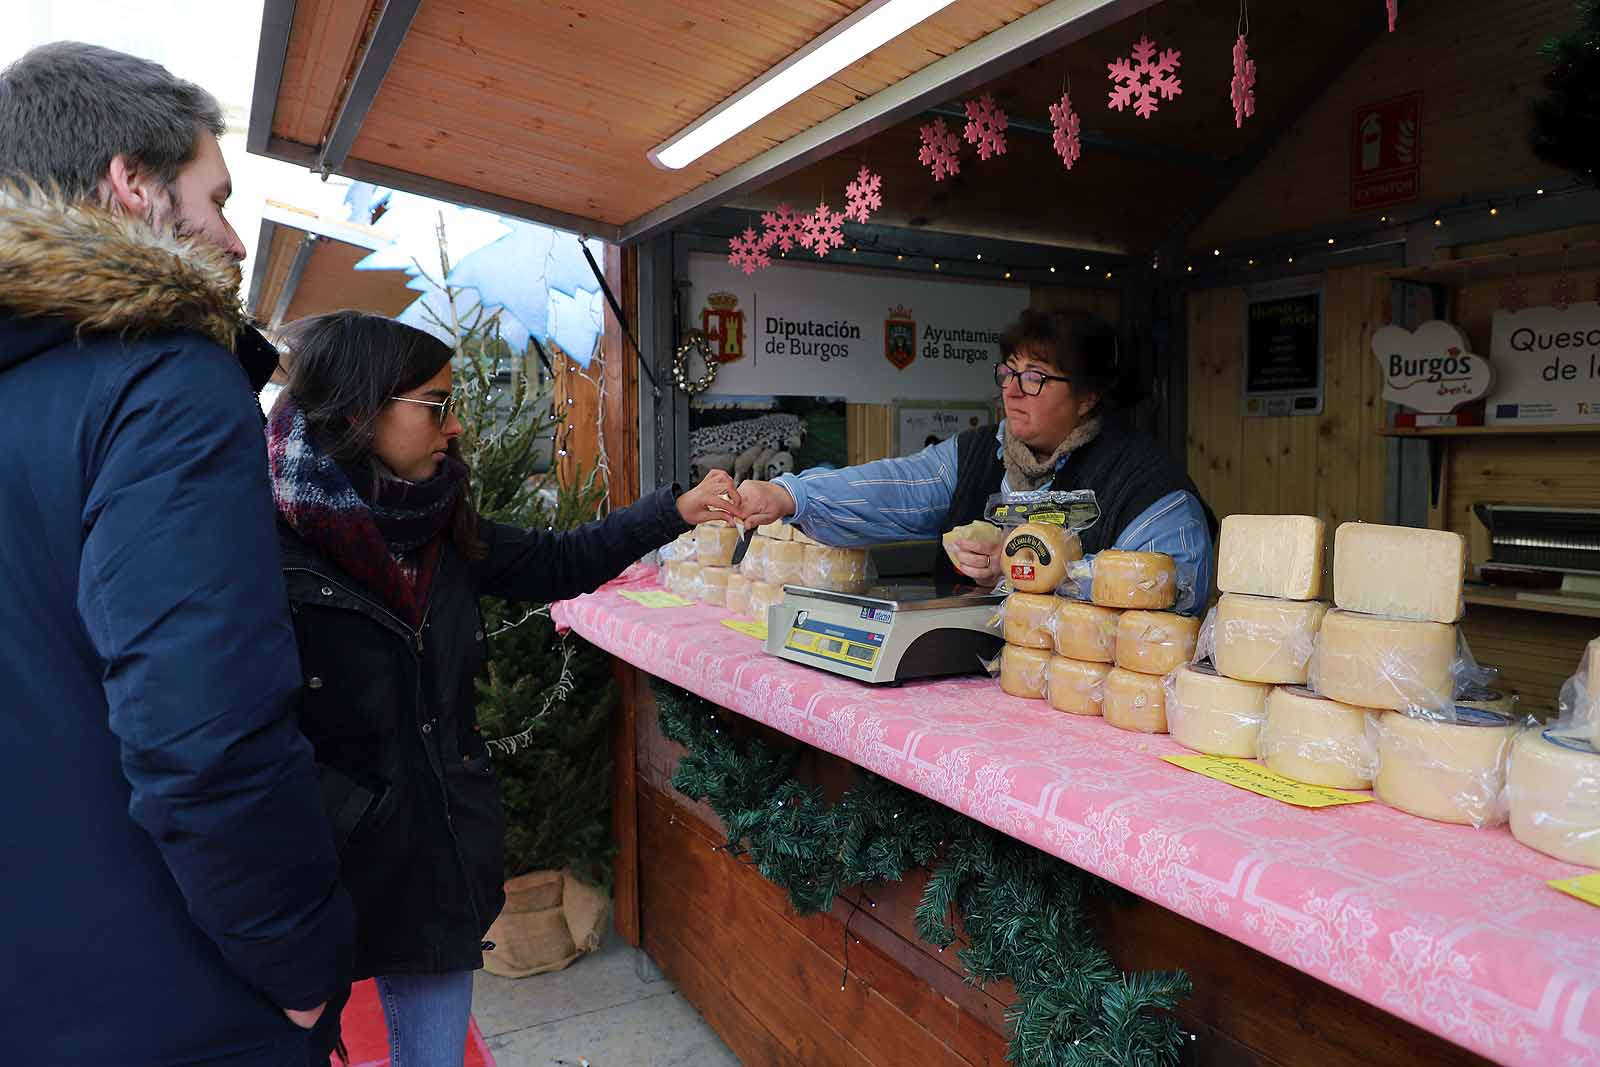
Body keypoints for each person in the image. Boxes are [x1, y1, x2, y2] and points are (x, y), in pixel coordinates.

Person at [0, 42, 353, 1066]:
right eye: (216, 195)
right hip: (174, 993)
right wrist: (300, 963)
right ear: (133, 186)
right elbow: (205, 731)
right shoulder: (161, 378)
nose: (235, 238)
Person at [267, 311, 742, 1064]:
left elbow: (558, 559)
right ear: (360, 410)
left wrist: (669, 513)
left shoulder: (439, 521)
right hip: (322, 873)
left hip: (432, 860)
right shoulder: (264, 544)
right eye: (436, 405)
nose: (453, 428)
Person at [738, 308, 1215, 613]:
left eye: (1035, 377)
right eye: (1008, 372)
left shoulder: (1149, 487)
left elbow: (1166, 590)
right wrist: (790, 494)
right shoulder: (981, 452)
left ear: (1088, 395)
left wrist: (1024, 566)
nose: (1011, 389)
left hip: (1090, 711)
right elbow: (897, 486)